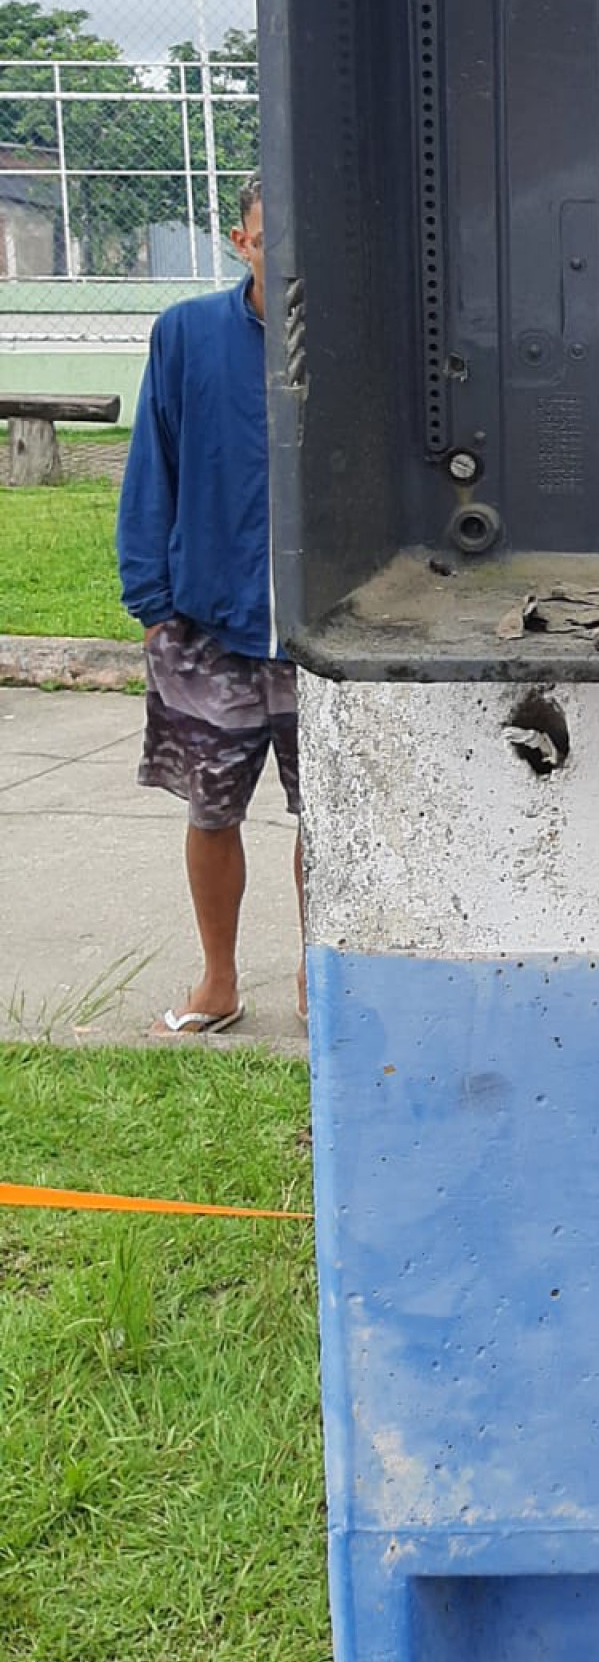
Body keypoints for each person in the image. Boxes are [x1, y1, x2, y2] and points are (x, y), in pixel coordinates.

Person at [116, 174, 303, 1037]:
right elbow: (151, 463)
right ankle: (219, 981)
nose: (285, 250)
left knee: (333, 823)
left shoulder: (351, 344)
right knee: (211, 810)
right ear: (242, 241)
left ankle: (318, 981)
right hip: (208, 629)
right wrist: (153, 601)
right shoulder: (187, 335)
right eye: (269, 235)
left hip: (321, 638)